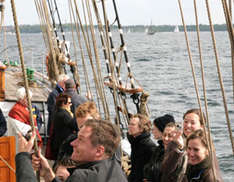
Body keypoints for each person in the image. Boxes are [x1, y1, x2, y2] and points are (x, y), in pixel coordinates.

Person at [15, 119, 128, 182]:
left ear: (99, 151)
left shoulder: (83, 177)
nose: (72, 143)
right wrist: (49, 174)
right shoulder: (117, 171)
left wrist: (23, 157)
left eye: (80, 140)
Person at [144, 114, 175, 182]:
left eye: (154, 129)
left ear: (161, 130)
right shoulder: (159, 148)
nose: (152, 131)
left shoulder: (173, 152)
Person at [46, 93, 77, 160]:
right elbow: (75, 126)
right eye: (69, 103)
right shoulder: (64, 114)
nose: (70, 104)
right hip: (63, 144)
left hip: (57, 143)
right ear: (63, 103)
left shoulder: (57, 111)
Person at [127, 113, 156, 182]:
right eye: (129, 124)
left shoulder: (150, 147)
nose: (129, 126)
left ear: (141, 128)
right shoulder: (135, 142)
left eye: (133, 125)